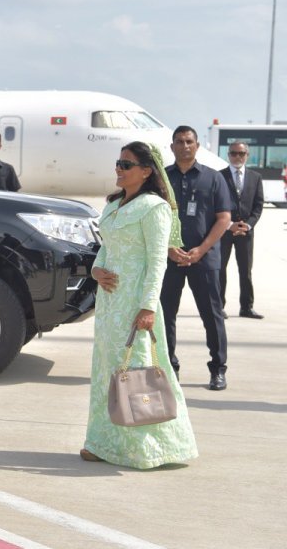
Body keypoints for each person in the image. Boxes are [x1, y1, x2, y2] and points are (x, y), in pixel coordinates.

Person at [82, 141, 198, 469]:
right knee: (108, 371)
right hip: (109, 305)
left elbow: (157, 260)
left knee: (137, 373)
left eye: (127, 164)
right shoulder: (113, 205)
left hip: (135, 302)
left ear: (146, 172)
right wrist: (96, 269)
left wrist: (147, 307)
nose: (119, 168)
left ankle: (145, 447)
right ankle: (102, 442)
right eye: (118, 163)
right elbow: (106, 246)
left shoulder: (153, 208)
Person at [160, 125, 232, 390]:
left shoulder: (214, 178)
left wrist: (201, 250)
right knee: (165, 314)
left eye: (189, 141)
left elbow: (224, 218)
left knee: (212, 315)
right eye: (179, 141)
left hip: (204, 259)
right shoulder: (161, 179)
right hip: (170, 258)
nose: (184, 146)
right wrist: (169, 247)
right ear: (172, 147)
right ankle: (170, 367)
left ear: (197, 145)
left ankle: (218, 369)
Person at [219, 142, 264, 319]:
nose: (238, 157)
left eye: (241, 153)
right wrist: (229, 225)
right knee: (220, 269)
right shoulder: (219, 176)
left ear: (247, 155)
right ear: (228, 155)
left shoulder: (255, 177)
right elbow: (214, 204)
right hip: (223, 231)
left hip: (246, 232)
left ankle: (246, 307)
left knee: (245, 270)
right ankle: (219, 306)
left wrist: (248, 224)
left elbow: (258, 205)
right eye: (234, 153)